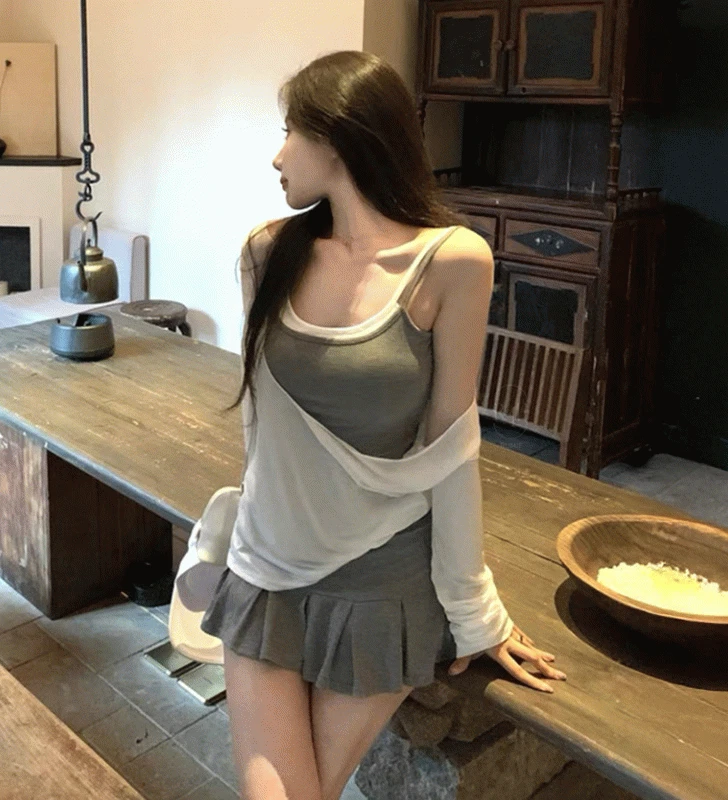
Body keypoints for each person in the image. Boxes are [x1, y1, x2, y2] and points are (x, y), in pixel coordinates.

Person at [200, 50, 566, 800]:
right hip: (270, 565)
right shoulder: (267, 252)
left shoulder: (452, 261)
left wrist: (475, 612)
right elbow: (263, 433)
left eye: (290, 132)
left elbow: (452, 447)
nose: (277, 156)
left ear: (336, 140)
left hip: (383, 581)